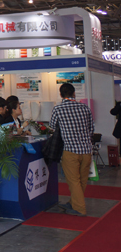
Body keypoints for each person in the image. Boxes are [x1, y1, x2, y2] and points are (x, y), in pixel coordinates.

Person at [49, 83, 94, 217]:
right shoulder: (84, 107)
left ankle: (80, 208)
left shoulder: (58, 109)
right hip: (86, 150)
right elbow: (91, 129)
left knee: (73, 181)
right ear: (74, 93)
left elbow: (52, 127)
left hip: (70, 150)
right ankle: (73, 203)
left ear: (60, 95)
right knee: (82, 180)